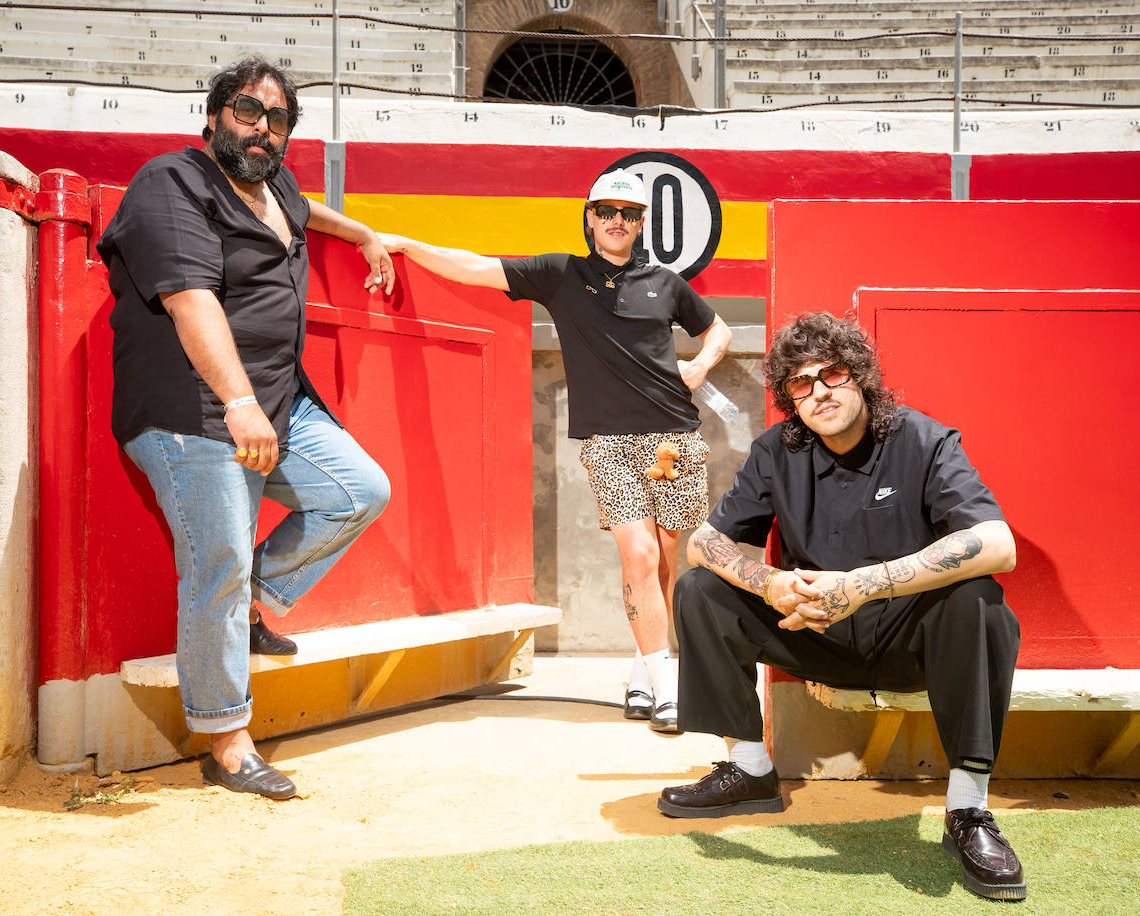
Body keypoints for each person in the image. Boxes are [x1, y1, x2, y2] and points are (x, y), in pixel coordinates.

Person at [97, 56, 394, 799]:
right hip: (193, 410)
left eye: (279, 118)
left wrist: (362, 233)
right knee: (218, 563)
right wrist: (237, 402)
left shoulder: (277, 186)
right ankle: (227, 738)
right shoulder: (175, 182)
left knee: (360, 490)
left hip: (279, 402)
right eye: (246, 111)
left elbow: (306, 211)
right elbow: (191, 299)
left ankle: (245, 605)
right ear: (213, 117)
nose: (262, 128)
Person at [659, 312, 1026, 901]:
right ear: (790, 400)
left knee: (980, 599)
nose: (819, 392)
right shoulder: (778, 451)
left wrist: (864, 584)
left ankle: (968, 812)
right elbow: (704, 542)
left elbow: (999, 544)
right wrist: (770, 584)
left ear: (860, 376)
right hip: (817, 635)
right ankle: (751, 768)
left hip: (911, 640)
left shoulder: (924, 440)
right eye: (800, 385)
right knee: (701, 589)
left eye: (832, 374)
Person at [378, 169, 731, 732]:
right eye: (607, 211)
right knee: (637, 556)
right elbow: (476, 267)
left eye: (630, 214)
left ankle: (643, 672)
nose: (618, 221)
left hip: (673, 437)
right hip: (608, 442)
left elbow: (718, 331)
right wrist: (408, 246)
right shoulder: (560, 274)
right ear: (590, 217)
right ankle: (668, 688)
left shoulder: (666, 283)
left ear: (642, 224)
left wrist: (700, 364)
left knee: (664, 559)